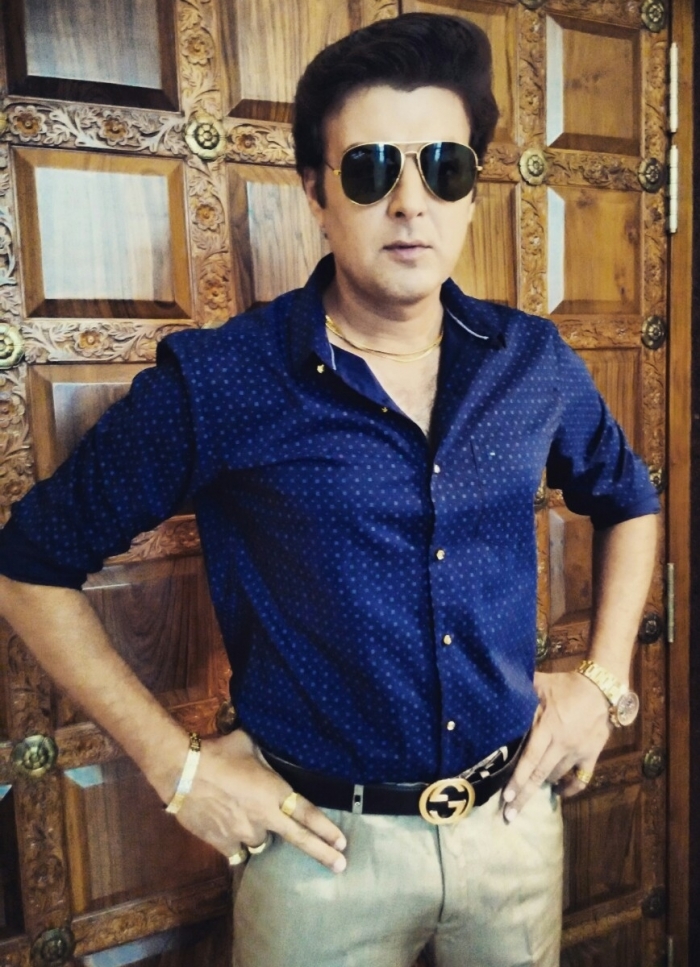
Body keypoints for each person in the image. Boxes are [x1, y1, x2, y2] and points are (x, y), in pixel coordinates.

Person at [0, 13, 658, 967]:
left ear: (471, 188)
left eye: (443, 167)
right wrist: (174, 765)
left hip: (513, 826)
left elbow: (629, 499)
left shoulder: (532, 361)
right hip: (319, 855)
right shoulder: (226, 380)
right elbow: (28, 565)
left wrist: (603, 681)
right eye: (370, 169)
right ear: (314, 191)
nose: (410, 202)